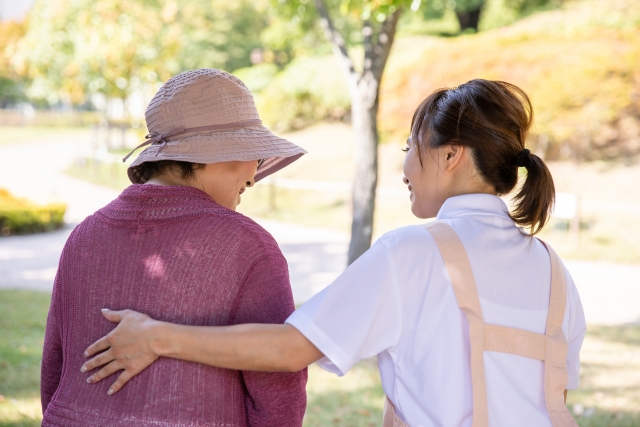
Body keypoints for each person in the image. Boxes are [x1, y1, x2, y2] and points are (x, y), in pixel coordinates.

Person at [81, 79, 587, 427]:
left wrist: (156, 338)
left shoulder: (414, 252)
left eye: (409, 147)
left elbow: (290, 348)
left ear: (451, 155)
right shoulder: (554, 271)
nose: (404, 165)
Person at [41, 69, 309, 427]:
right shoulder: (248, 247)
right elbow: (277, 390)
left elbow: (54, 372)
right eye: (252, 155)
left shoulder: (85, 235)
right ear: (210, 155)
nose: (252, 176)